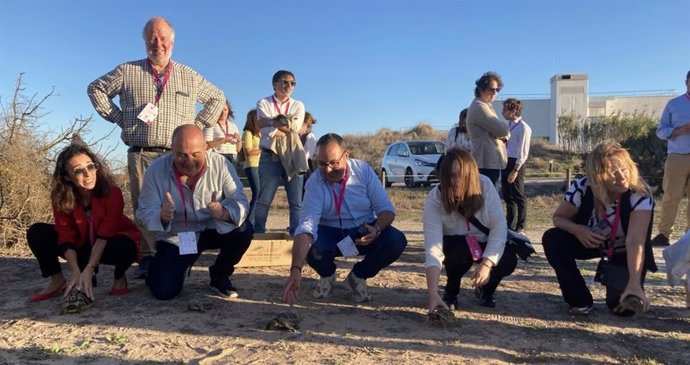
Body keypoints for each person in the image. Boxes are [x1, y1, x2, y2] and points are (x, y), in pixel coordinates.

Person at [87, 16, 225, 278]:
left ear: (172, 41)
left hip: (179, 156)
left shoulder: (188, 75)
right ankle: (150, 259)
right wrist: (121, 119)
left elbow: (216, 97)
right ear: (144, 41)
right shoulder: (127, 71)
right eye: (152, 37)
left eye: (162, 38)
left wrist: (195, 129)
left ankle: (181, 258)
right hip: (141, 153)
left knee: (182, 207)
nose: (157, 43)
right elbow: (95, 89)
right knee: (146, 209)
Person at [282, 133, 407, 304]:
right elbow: (306, 227)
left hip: (362, 230)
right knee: (309, 244)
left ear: (346, 155)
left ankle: (358, 275)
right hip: (329, 234)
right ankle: (328, 275)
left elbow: (386, 210)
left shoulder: (364, 171)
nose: (327, 169)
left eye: (333, 163)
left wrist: (376, 228)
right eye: (321, 163)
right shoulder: (314, 183)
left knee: (396, 240)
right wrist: (295, 269)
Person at [136, 125, 253, 300]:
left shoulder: (221, 164)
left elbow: (241, 201)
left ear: (206, 147)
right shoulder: (155, 170)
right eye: (182, 155)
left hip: (214, 227)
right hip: (180, 235)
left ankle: (220, 275)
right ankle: (175, 266)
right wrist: (161, 215)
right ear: (172, 150)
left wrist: (224, 213)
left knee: (244, 230)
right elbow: (142, 212)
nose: (189, 161)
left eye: (195, 154)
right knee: (163, 291)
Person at [542, 140, 657, 316]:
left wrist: (634, 283)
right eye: (613, 172)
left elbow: (636, 241)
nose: (622, 177)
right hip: (589, 240)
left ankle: (623, 285)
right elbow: (558, 218)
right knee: (553, 239)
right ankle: (579, 299)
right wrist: (577, 230)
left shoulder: (639, 193)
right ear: (598, 175)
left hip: (623, 250)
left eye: (624, 169)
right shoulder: (582, 188)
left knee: (623, 308)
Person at [27, 143, 140, 302]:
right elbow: (65, 234)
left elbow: (105, 233)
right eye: (78, 170)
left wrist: (89, 267)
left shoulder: (112, 192)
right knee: (37, 232)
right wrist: (75, 270)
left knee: (126, 245)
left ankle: (119, 277)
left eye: (91, 166)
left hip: (108, 242)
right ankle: (57, 280)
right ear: (67, 176)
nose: (87, 174)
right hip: (82, 243)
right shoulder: (61, 196)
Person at [424, 147, 516, 312]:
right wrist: (432, 293)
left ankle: (485, 289)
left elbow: (499, 227)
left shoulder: (485, 185)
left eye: (462, 176)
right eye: (450, 176)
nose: (456, 182)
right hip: (456, 246)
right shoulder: (434, 199)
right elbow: (433, 248)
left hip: (484, 241)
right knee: (457, 251)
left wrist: (487, 264)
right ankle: (450, 292)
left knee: (507, 259)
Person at [253, 70, 308, 235]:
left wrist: (269, 122)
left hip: (292, 156)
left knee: (296, 202)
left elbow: (295, 129)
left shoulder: (298, 105)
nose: (289, 86)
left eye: (293, 83)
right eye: (285, 82)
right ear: (274, 84)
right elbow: (264, 132)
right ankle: (257, 236)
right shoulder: (263, 102)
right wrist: (282, 124)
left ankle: (295, 238)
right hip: (270, 156)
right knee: (264, 200)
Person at [652, 70, 690, 247]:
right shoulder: (673, 104)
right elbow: (660, 130)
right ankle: (664, 234)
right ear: (686, 82)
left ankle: (688, 237)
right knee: (670, 197)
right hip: (677, 156)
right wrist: (678, 131)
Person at [466, 71, 509, 185]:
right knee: (487, 199)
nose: (495, 93)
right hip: (485, 163)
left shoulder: (486, 106)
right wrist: (503, 130)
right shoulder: (480, 107)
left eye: (497, 90)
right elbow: (503, 130)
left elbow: (501, 132)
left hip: (489, 162)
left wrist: (501, 133)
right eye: (492, 89)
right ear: (481, 89)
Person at [500, 98, 532, 232]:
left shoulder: (524, 128)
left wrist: (515, 170)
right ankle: (510, 226)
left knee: (518, 196)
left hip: (516, 163)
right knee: (508, 196)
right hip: (505, 161)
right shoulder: (507, 125)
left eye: (505, 109)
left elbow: (523, 152)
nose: (502, 111)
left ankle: (520, 226)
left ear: (513, 111)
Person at [204, 99, 242, 166]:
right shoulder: (210, 125)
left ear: (228, 110)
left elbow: (238, 149)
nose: (223, 112)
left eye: (225, 110)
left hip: (232, 158)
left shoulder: (233, 126)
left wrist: (239, 140)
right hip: (217, 157)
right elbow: (206, 145)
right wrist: (223, 140)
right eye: (220, 110)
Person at [242, 109, 261, 221]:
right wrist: (262, 149)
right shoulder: (248, 133)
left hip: (260, 165)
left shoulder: (258, 134)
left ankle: (254, 219)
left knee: (259, 194)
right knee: (257, 193)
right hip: (252, 165)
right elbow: (248, 151)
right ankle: (250, 220)